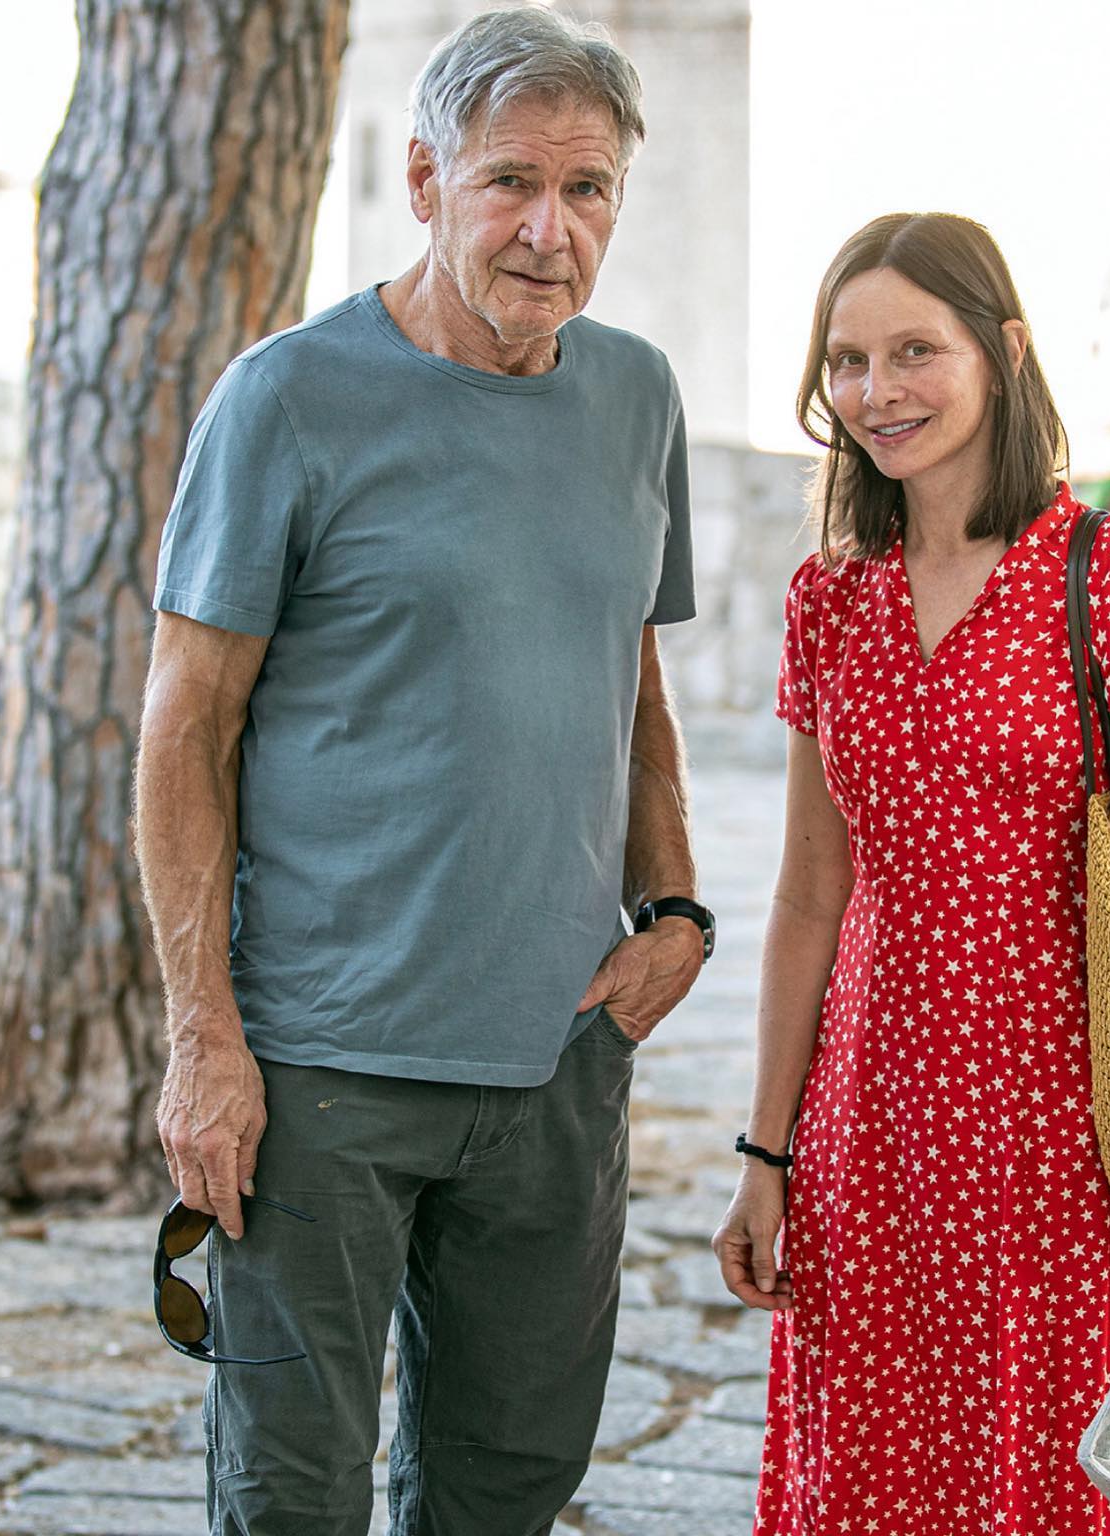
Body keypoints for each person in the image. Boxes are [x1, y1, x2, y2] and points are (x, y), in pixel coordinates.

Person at [134, 10, 714, 1534]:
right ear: (422, 179)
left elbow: (631, 675)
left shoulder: (638, 396)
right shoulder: (286, 399)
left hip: (557, 1057)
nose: (548, 229)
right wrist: (204, 1043)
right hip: (320, 1068)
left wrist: (676, 911)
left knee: (509, 1481)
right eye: (510, 180)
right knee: (293, 1493)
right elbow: (183, 731)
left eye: (587, 189)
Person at [711, 213, 1110, 1535]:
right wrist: (766, 1153)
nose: (877, 390)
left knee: (1043, 1489)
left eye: (914, 351)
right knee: (858, 1485)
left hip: (1057, 1135)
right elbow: (809, 897)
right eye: (848, 360)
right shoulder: (829, 599)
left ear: (1006, 352)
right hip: (865, 1131)